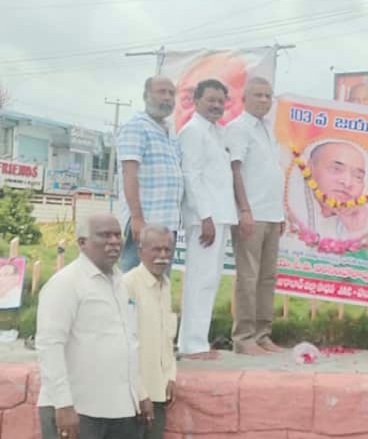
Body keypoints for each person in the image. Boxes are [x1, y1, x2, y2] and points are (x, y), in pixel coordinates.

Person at [36, 213, 152, 439]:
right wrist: (63, 404)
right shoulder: (65, 283)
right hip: (77, 411)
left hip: (121, 411)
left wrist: (140, 393)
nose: (114, 242)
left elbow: (128, 343)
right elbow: (49, 346)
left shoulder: (120, 283)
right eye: (105, 235)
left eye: (117, 235)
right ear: (82, 243)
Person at [178, 79, 237, 360]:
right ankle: (191, 345)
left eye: (220, 101)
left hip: (220, 215)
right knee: (200, 280)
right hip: (206, 218)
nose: (216, 105)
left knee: (210, 280)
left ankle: (197, 341)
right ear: (196, 100)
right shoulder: (192, 132)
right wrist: (205, 217)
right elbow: (192, 175)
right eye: (210, 99)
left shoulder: (218, 132)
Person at [226, 77, 285, 355]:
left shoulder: (267, 129)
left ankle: (263, 334)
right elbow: (235, 170)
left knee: (267, 277)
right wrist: (244, 210)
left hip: (272, 213)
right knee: (248, 278)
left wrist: (280, 213)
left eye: (267, 95)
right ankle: (244, 337)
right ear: (244, 99)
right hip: (252, 213)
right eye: (258, 95)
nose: (264, 100)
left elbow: (269, 173)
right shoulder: (238, 128)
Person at [116, 76, 183, 273]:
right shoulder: (136, 127)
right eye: (161, 92)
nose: (167, 97)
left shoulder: (170, 132)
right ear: (146, 96)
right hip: (145, 222)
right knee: (134, 279)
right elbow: (129, 173)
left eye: (171, 93)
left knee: (160, 282)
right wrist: (137, 218)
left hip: (167, 225)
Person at [123, 224, 177, 439]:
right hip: (133, 397)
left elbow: (167, 339)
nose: (163, 256)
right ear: (140, 251)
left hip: (159, 392)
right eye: (156, 249)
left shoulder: (166, 285)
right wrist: (141, 393)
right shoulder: (128, 285)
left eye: (167, 250)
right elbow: (126, 345)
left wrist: (171, 376)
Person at [303, 140, 368, 238]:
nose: (347, 183)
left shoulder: (360, 218)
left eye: (358, 176)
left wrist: (355, 230)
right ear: (309, 168)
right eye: (336, 169)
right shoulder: (292, 205)